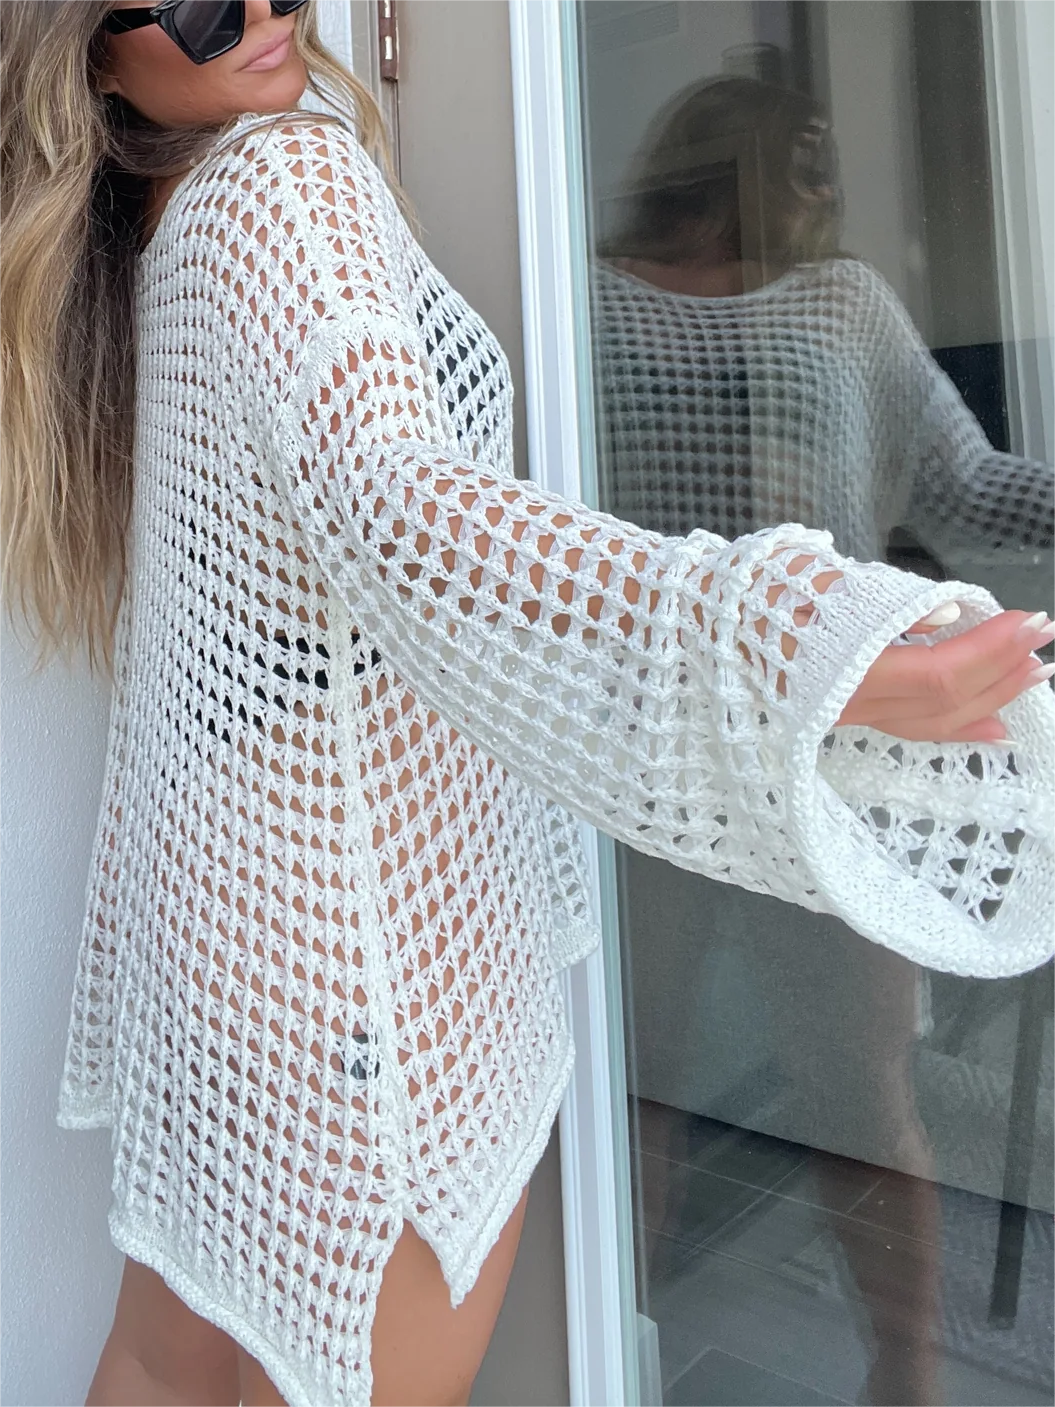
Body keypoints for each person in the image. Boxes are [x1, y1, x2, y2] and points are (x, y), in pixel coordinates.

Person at [2, 11, 1055, 1407]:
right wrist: (777, 638)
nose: (258, 10)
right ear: (81, 47)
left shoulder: (159, 214)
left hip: (224, 912)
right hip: (362, 927)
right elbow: (402, 507)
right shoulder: (279, 177)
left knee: (163, 1359)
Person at [591, 74, 1055, 1407]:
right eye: (795, 145)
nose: (821, 171)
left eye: (827, 154)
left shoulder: (845, 303)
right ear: (714, 148)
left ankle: (906, 1377)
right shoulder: (585, 301)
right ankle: (620, 1350)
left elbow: (969, 485)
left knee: (860, 1091)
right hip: (646, 755)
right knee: (641, 1086)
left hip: (832, 754)